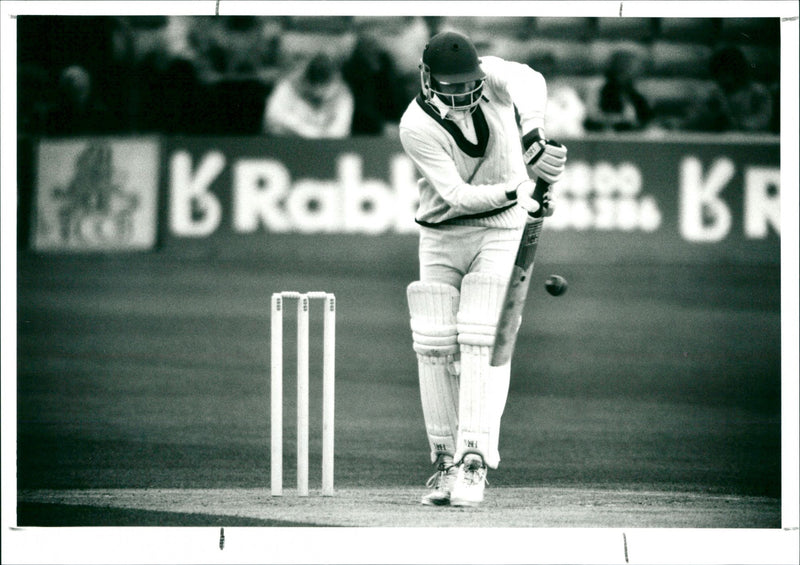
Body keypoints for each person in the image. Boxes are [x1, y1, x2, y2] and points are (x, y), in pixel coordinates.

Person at [399, 30, 567, 507]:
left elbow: (530, 79)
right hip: (441, 231)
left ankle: (474, 462)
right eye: (449, 84)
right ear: (427, 79)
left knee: (480, 336)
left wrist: (533, 135)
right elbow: (455, 196)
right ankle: (445, 462)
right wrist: (520, 190)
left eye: (466, 81)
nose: (462, 91)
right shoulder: (415, 125)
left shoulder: (492, 77)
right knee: (433, 343)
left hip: (501, 230)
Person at [681, 45, 773, 133]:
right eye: (720, 73)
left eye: (729, 72)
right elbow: (691, 122)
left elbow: (760, 123)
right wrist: (707, 113)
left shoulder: (758, 93)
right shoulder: (712, 93)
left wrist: (730, 119)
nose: (725, 78)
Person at [262, 52, 354, 138]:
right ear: (306, 79)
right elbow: (272, 120)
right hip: (286, 145)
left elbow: (339, 132)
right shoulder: (287, 86)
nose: (318, 92)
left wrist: (317, 135)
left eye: (323, 85)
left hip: (325, 149)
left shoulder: (342, 93)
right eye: (315, 83)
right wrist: (307, 131)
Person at [584, 49, 652, 132]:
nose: (632, 71)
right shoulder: (598, 87)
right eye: (627, 66)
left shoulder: (635, 92)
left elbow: (645, 119)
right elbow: (591, 116)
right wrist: (618, 120)